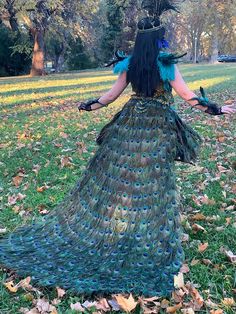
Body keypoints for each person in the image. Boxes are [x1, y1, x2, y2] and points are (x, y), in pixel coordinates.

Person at [0, 0, 235, 299]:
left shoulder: (131, 63)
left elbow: (111, 97)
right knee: (150, 183)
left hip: (130, 122)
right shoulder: (166, 63)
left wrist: (89, 105)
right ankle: (137, 230)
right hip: (156, 126)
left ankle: (116, 225)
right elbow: (188, 97)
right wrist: (216, 109)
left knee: (121, 178)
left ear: (139, 39)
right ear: (160, 37)